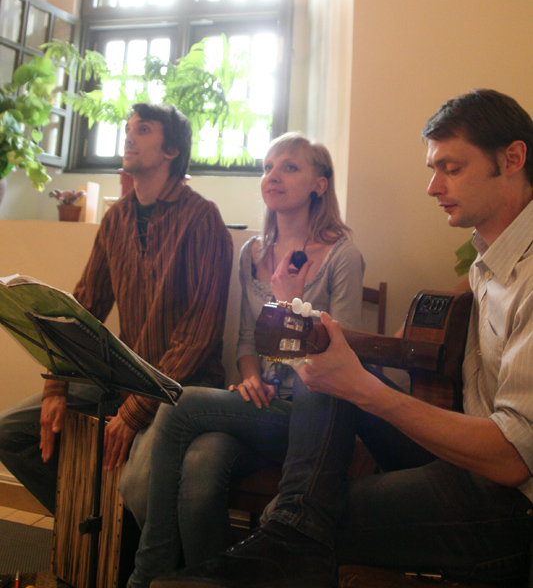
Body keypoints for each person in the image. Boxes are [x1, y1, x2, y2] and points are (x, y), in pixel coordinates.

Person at [164, 89, 533, 588]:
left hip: (510, 501)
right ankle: (291, 529)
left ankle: (287, 534)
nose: (432, 186)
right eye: (433, 168)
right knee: (325, 378)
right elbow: (278, 346)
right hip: (467, 456)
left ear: (512, 159)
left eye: (451, 167)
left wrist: (364, 388)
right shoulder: (488, 262)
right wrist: (317, 341)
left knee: (300, 516)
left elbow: (514, 457)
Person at [127, 132, 365, 588]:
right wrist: (250, 378)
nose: (273, 176)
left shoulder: (343, 255)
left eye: (289, 167)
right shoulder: (251, 252)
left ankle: (148, 572)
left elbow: (343, 357)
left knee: (179, 403)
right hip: (260, 407)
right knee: (200, 464)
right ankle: (204, 579)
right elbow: (245, 341)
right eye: (268, 167)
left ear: (319, 184)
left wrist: (289, 303)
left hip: (312, 416)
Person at [0, 102, 233, 528]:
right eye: (128, 129)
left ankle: (131, 546)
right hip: (122, 379)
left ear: (171, 151)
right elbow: (83, 307)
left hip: (184, 390)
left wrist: (134, 411)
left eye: (143, 129)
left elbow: (198, 336)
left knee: (138, 485)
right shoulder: (117, 218)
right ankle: (104, 531)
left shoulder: (203, 218)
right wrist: (56, 385)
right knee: (11, 432)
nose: (128, 136)